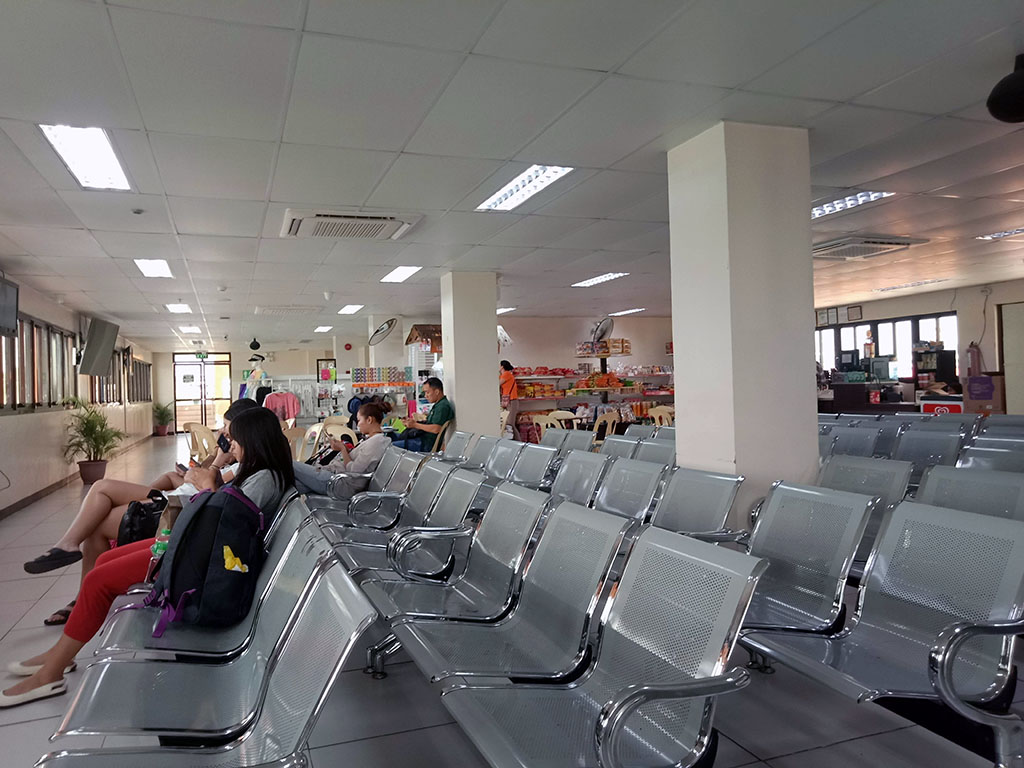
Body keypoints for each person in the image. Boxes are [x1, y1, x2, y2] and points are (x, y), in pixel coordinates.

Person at [0, 407, 294, 708]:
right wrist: (212, 482)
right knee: (101, 563)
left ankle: (51, 673)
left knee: (99, 580)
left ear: (254, 440)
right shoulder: (256, 473)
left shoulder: (264, 479)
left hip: (198, 564)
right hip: (193, 549)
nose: (230, 445)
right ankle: (62, 654)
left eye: (235, 440)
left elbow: (225, 524)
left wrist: (209, 486)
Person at [23, 399, 261, 626]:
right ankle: (78, 577)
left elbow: (208, 485)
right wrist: (215, 458)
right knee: (102, 502)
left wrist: (213, 466)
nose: (225, 435)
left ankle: (78, 579)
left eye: (229, 431)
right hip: (178, 497)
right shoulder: (232, 455)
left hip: (177, 507)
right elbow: (202, 474)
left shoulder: (242, 464)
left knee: (100, 496)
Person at [293, 401, 391, 498]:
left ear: (369, 420)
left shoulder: (375, 443)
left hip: (340, 483)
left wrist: (343, 449)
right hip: (336, 477)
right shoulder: (374, 441)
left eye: (359, 420)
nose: (358, 424)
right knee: (289, 485)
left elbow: (353, 470)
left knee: (289, 464)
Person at [389, 377, 454, 452]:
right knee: (390, 438)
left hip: (425, 443)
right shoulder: (438, 405)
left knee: (389, 447)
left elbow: (436, 429)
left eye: (427, 392)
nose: (425, 396)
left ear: (436, 391)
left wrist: (415, 425)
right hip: (422, 438)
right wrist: (413, 422)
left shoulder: (442, 407)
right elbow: (430, 423)